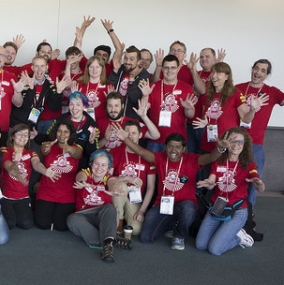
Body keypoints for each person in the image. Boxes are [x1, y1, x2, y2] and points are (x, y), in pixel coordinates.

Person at [114, 129, 229, 251]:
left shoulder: (192, 159)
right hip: (163, 204)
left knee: (188, 209)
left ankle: (179, 236)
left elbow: (210, 157)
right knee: (146, 237)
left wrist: (219, 149)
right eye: (170, 146)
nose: (174, 150)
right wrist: (125, 139)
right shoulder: (160, 158)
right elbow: (141, 152)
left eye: (178, 147)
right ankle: (171, 225)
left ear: (183, 148)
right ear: (165, 147)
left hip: (184, 203)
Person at [195, 127, 265, 255]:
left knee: (215, 249)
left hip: (237, 210)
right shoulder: (219, 161)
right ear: (226, 142)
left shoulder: (248, 164)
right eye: (233, 140)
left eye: (240, 142)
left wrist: (259, 184)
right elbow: (211, 183)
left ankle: (240, 237)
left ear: (245, 145)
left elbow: (257, 182)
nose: (236, 144)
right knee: (201, 245)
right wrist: (209, 184)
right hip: (217, 207)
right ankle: (225, 232)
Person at [67, 149, 131, 263]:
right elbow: (80, 178)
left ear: (108, 167)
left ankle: (107, 246)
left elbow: (113, 184)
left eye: (103, 165)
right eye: (96, 163)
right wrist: (83, 183)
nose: (99, 168)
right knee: (72, 219)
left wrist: (114, 190)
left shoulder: (108, 177)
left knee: (110, 208)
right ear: (91, 164)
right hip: (84, 215)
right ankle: (111, 241)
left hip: (104, 216)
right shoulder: (85, 172)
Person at [235, 59, 283, 207]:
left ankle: (248, 217)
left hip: (255, 144)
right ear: (252, 69)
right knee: (232, 179)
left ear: (267, 74)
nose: (258, 72)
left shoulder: (272, 92)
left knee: (253, 182)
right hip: (235, 142)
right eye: (256, 68)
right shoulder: (238, 88)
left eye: (263, 70)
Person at [1, 124, 59, 229]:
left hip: (22, 196)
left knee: (26, 224)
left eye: (26, 135)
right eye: (20, 134)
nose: (23, 137)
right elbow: (9, 167)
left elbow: (36, 164)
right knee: (9, 223)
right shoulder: (5, 150)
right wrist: (16, 162)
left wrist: (45, 171)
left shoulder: (31, 152)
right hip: (6, 196)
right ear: (13, 136)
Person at [34, 118, 83, 231]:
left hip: (67, 194)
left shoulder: (76, 147)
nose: (62, 134)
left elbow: (77, 154)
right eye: (59, 131)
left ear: (70, 134)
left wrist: (68, 148)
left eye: (66, 131)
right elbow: (44, 149)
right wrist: (46, 147)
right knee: (42, 224)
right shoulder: (49, 144)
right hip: (47, 192)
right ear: (55, 132)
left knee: (61, 226)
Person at [109, 120, 156, 236]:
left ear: (140, 135)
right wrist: (126, 178)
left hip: (135, 199)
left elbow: (151, 187)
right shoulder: (115, 152)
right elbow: (107, 178)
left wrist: (142, 211)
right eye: (127, 133)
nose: (130, 136)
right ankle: (118, 221)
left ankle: (125, 218)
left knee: (136, 230)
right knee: (122, 185)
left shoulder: (147, 155)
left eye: (134, 133)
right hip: (118, 194)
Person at [145, 55, 196, 153]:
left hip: (177, 140)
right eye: (166, 68)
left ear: (178, 69)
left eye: (173, 67)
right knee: (152, 168)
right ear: (162, 69)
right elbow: (144, 110)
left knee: (176, 168)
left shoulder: (187, 88)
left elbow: (190, 115)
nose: (169, 70)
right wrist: (144, 96)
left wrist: (188, 108)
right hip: (155, 138)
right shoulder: (152, 87)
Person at [10, 56, 65, 134]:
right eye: (36, 66)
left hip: (32, 126)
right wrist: (31, 89)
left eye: (42, 66)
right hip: (16, 124)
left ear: (46, 68)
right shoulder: (24, 81)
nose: (39, 69)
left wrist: (59, 92)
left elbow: (54, 108)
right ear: (32, 68)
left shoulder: (49, 85)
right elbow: (25, 106)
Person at [108, 45, 152, 120]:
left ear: (138, 61)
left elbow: (135, 99)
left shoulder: (144, 76)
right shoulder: (121, 68)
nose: (127, 62)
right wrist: (115, 71)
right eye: (126, 58)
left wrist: (132, 82)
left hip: (131, 119)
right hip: (115, 114)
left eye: (132, 59)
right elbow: (110, 86)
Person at [78, 56, 115, 122]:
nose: (94, 70)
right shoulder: (79, 85)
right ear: (87, 68)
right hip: (83, 122)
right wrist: (75, 96)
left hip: (102, 122)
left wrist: (110, 99)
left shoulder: (109, 86)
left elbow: (114, 108)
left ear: (102, 69)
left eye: (97, 67)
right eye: (91, 67)